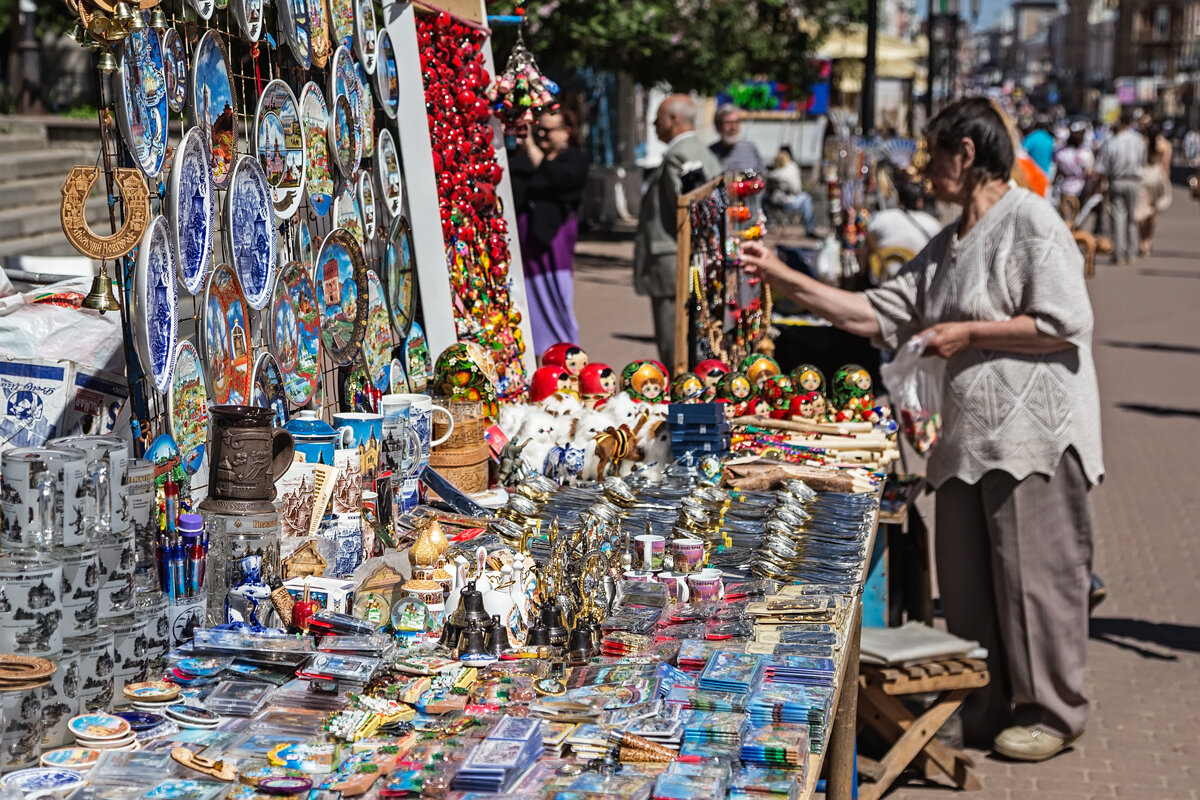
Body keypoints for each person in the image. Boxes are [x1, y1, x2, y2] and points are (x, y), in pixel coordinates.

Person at [741, 97, 1103, 763]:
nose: (920, 169)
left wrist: (968, 332)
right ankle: (983, 703)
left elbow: (1063, 323)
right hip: (966, 442)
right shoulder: (946, 244)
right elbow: (871, 312)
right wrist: (782, 277)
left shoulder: (1031, 222)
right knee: (967, 585)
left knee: (1035, 582)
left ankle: (1053, 710)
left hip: (1033, 439)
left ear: (966, 154)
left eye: (931, 153)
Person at [634, 94, 723, 365]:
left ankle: (681, 399)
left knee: (676, 348)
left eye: (657, 118)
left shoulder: (680, 156)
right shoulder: (700, 150)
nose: (653, 125)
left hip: (675, 264)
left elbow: (691, 216)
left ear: (673, 119)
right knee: (692, 341)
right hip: (684, 264)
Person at [509, 109, 591, 356]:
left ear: (567, 131)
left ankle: (567, 356)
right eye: (539, 129)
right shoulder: (521, 160)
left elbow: (557, 179)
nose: (542, 135)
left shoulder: (575, 160)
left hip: (554, 249)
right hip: (526, 250)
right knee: (529, 305)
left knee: (558, 302)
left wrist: (532, 149)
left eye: (549, 130)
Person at [860, 170, 941, 282]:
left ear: (900, 199)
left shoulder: (881, 218)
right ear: (920, 201)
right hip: (916, 283)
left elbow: (865, 248)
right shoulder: (932, 224)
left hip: (880, 281)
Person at [1097, 112, 1146, 264]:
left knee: (1117, 217)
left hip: (1117, 180)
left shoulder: (1112, 141)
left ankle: (1118, 253)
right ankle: (1130, 252)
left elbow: (1103, 166)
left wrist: (1102, 182)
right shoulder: (1139, 141)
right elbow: (1142, 161)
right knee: (1131, 217)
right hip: (1133, 180)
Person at [1135, 122, 1172, 256]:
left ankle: (1142, 241)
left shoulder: (1142, 143)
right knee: (1152, 213)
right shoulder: (1165, 145)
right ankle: (1147, 241)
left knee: (1141, 212)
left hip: (1144, 179)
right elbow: (1166, 168)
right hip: (1157, 179)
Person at [766, 146, 817, 236]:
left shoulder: (772, 174)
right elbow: (796, 189)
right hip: (788, 203)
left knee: (763, 199)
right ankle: (810, 228)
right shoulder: (790, 171)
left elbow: (767, 191)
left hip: (774, 202)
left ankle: (769, 222)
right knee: (806, 198)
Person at [709, 104, 765, 175]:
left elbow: (763, 175)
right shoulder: (710, 153)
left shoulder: (750, 148)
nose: (733, 127)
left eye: (736, 122)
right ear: (718, 125)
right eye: (728, 123)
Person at [1053, 122, 1095, 202]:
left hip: (1065, 187)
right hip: (1081, 189)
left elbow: (1058, 172)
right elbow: (1089, 172)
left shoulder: (1061, 154)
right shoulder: (1086, 154)